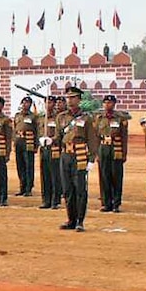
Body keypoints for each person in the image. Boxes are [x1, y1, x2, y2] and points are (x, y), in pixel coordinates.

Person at [57, 86, 97, 231]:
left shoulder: (86, 118)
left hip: (79, 155)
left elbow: (92, 139)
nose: (70, 100)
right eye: (68, 97)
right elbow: (58, 137)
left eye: (73, 97)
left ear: (79, 99)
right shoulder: (61, 117)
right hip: (65, 155)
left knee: (80, 189)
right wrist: (48, 141)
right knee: (67, 189)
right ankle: (71, 219)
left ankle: (80, 221)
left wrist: (92, 159)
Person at [93, 94, 127, 212]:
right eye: (105, 103)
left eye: (110, 103)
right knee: (104, 176)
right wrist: (96, 152)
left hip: (116, 148)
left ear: (114, 104)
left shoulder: (120, 118)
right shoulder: (98, 118)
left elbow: (124, 137)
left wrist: (124, 153)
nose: (108, 105)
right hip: (103, 148)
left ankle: (116, 203)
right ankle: (106, 202)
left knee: (116, 176)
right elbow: (96, 136)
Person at [37, 96, 63, 210]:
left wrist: (52, 139)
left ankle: (55, 200)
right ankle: (46, 200)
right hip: (44, 149)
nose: (49, 105)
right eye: (47, 102)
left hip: (55, 148)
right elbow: (39, 131)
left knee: (55, 175)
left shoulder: (59, 117)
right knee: (45, 175)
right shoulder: (42, 118)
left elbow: (61, 134)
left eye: (51, 102)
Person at [12, 95, 38, 197]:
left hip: (29, 142)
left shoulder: (33, 117)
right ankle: (22, 187)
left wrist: (36, 145)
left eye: (27, 103)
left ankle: (28, 188)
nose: (25, 105)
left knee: (28, 166)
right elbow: (15, 129)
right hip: (19, 142)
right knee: (20, 166)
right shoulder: (17, 115)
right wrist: (14, 142)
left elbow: (36, 131)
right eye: (23, 103)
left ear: (30, 105)